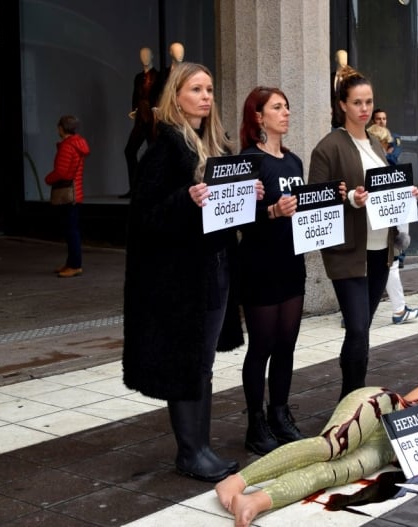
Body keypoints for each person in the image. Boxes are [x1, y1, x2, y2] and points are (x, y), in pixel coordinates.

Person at [123, 62, 258, 482]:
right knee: (186, 362)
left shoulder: (214, 144)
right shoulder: (163, 147)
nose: (206, 96)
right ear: (175, 97)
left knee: (202, 362)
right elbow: (143, 217)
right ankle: (191, 452)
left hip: (214, 267)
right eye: (196, 89)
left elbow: (227, 214)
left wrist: (247, 195)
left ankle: (201, 446)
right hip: (178, 278)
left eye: (210, 89)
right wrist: (186, 198)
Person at [215, 376, 418, 526]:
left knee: (334, 472)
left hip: (384, 447)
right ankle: (237, 481)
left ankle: (256, 502)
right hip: (380, 407)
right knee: (330, 446)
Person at [309, 70, 418, 399]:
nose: (364, 108)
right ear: (342, 105)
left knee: (362, 330)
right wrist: (350, 198)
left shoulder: (375, 144)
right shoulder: (328, 147)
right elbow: (316, 200)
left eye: (368, 101)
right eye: (356, 102)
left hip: (378, 251)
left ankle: (353, 400)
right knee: (356, 327)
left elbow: (384, 191)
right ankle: (350, 400)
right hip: (347, 252)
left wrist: (404, 194)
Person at [236, 86, 307, 454]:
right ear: (259, 117)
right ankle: (255, 422)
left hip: (292, 263)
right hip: (259, 264)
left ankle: (280, 414)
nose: (286, 113)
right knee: (261, 346)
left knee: (286, 346)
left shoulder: (294, 162)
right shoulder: (250, 161)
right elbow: (238, 218)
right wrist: (271, 212)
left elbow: (304, 210)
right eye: (277, 107)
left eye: (287, 106)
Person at [366, 124, 418, 324]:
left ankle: (358, 312)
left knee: (379, 267)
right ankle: (398, 310)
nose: (390, 147)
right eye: (387, 143)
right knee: (392, 265)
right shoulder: (385, 166)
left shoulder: (373, 165)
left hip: (371, 228)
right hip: (383, 228)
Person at [45, 115, 90, 278]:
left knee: (71, 231)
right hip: (75, 193)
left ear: (62, 128)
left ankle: (75, 265)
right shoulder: (77, 145)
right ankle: (71, 262)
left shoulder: (67, 146)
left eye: (59, 126)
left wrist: (48, 179)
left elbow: (62, 172)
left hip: (69, 195)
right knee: (72, 229)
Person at [121, 47, 161, 199]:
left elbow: (160, 95)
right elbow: (135, 96)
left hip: (152, 120)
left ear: (152, 56)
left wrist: (158, 110)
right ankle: (135, 188)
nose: (144, 57)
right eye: (141, 55)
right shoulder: (138, 78)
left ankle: (153, 188)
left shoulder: (158, 76)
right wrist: (134, 110)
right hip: (140, 119)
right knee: (129, 151)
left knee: (154, 153)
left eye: (147, 55)